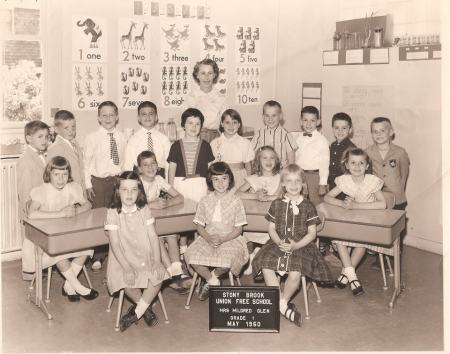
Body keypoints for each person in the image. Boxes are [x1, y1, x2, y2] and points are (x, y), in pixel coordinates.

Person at [252, 164, 332, 327]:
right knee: (267, 265)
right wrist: (278, 241)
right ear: (282, 184)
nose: (294, 185)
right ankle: (280, 304)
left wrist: (296, 246)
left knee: (295, 272)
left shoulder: (308, 205)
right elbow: (271, 229)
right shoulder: (276, 204)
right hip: (278, 243)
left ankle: (283, 301)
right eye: (289, 181)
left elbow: (312, 234)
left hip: (302, 245)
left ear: (303, 183)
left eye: (297, 181)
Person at [26, 156, 98, 302]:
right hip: (43, 240)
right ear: (49, 174)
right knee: (59, 251)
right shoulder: (42, 191)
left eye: (64, 174)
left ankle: (69, 286)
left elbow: (88, 204)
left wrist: (75, 212)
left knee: (88, 246)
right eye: (56, 174)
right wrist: (60, 213)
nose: (61, 179)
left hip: (65, 235)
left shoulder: (72, 188)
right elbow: (31, 213)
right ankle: (77, 286)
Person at [104, 171, 168, 332]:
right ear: (117, 191)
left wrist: (158, 261)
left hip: (145, 255)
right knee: (127, 282)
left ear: (139, 191)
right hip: (122, 259)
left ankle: (136, 313)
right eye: (124, 189)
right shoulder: (112, 213)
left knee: (158, 277)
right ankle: (145, 309)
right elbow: (116, 244)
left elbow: (153, 237)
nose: (129, 194)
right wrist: (126, 268)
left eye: (134, 189)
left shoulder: (144, 209)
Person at [324, 148, 388, 296]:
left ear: (367, 166)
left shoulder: (372, 181)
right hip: (350, 219)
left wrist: (356, 206)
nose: (357, 167)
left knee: (361, 242)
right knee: (339, 238)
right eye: (353, 163)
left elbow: (382, 204)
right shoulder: (344, 180)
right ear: (347, 165)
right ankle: (352, 275)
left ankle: (346, 274)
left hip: (368, 220)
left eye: (361, 163)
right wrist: (343, 204)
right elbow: (327, 198)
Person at [184, 162, 248, 301]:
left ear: (230, 179)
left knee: (227, 261)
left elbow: (239, 229)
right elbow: (200, 226)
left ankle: (213, 275)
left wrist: (223, 239)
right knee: (191, 256)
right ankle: (212, 280)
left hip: (230, 237)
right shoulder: (204, 200)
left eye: (224, 178)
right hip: (208, 236)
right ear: (210, 181)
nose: (220, 183)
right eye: (216, 179)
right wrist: (208, 237)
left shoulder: (236, 201)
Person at [136, 150, 188, 293]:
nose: (150, 168)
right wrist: (150, 204)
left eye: (153, 164)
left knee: (171, 233)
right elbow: (131, 206)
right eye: (145, 165)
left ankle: (176, 270)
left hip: (157, 221)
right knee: (157, 237)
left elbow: (180, 197)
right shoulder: (136, 182)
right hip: (140, 225)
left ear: (158, 166)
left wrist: (168, 203)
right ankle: (172, 272)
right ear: (139, 169)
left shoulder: (159, 180)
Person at [84, 101, 126, 271]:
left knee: (117, 217)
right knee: (100, 219)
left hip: (116, 181)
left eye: (111, 115)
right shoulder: (92, 138)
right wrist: (88, 184)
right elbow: (86, 164)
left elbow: (123, 161)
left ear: (117, 117)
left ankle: (117, 253)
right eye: (104, 115)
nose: (108, 118)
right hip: (98, 182)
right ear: (99, 118)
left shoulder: (122, 136)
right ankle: (99, 255)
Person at [167, 108, 215, 254]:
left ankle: (197, 244)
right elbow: (172, 168)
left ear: (201, 127)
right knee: (182, 215)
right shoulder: (176, 145)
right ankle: (182, 244)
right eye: (190, 123)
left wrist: (209, 189)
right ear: (183, 125)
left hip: (200, 185)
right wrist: (170, 189)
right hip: (180, 184)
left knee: (199, 216)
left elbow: (210, 169)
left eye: (197, 124)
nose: (193, 127)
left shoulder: (205, 146)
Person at [236, 146, 282, 275]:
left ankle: (261, 255)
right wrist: (255, 196)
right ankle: (251, 257)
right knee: (248, 235)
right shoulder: (253, 178)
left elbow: (280, 196)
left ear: (277, 161)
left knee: (271, 237)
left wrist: (267, 198)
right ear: (258, 160)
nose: (269, 160)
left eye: (272, 157)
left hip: (272, 219)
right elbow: (237, 194)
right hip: (255, 217)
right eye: (265, 157)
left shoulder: (280, 177)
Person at [17, 120, 50, 280]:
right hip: (32, 208)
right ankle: (29, 272)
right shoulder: (26, 159)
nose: (44, 140)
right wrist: (28, 211)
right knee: (30, 241)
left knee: (39, 242)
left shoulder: (43, 155)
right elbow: (24, 191)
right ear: (29, 138)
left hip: (41, 206)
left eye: (46, 136)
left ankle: (38, 267)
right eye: (40, 136)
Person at [365, 117, 410, 210]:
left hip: (397, 199)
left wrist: (399, 190)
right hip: (376, 199)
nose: (379, 134)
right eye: (375, 131)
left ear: (390, 132)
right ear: (372, 134)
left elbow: (404, 175)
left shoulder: (400, 152)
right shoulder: (367, 152)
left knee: (397, 223)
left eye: (382, 130)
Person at [123, 101, 171, 177]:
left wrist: (167, 183)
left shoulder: (164, 139)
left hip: (159, 176)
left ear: (156, 117)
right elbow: (128, 164)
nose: (148, 117)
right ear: (138, 118)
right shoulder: (133, 139)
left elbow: (168, 164)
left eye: (151, 114)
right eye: (144, 114)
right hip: (139, 176)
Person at [210, 109, 254, 189]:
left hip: (240, 178)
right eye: (227, 122)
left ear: (239, 124)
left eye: (234, 122)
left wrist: (249, 183)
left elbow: (248, 165)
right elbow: (210, 165)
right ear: (222, 124)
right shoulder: (214, 143)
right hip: (221, 178)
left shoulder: (245, 142)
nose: (231, 126)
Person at [294, 105, 329, 206]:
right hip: (300, 176)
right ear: (301, 121)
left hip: (314, 177)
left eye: (312, 120)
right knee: (299, 203)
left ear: (318, 122)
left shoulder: (322, 141)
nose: (308, 124)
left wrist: (322, 184)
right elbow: (295, 157)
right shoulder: (298, 138)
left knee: (316, 205)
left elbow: (324, 163)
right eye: (305, 120)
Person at [47, 110, 87, 197]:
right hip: (66, 195)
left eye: (73, 127)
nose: (71, 131)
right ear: (56, 129)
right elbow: (53, 178)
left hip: (80, 191)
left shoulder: (75, 143)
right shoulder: (54, 149)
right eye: (66, 128)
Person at [184, 58, 226, 143]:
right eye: (203, 73)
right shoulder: (191, 97)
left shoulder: (221, 98)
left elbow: (225, 123)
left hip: (215, 138)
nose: (206, 77)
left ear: (214, 75)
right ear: (197, 75)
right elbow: (185, 123)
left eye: (210, 73)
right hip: (195, 136)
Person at [251, 100, 298, 168]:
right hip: (263, 170)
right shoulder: (259, 134)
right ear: (263, 117)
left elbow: (291, 158)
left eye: (274, 115)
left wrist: (289, 171)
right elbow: (252, 153)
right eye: (267, 116)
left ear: (280, 116)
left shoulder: (286, 135)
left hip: (281, 170)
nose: (270, 119)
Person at [328, 112, 356, 193]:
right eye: (337, 128)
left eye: (344, 128)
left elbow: (353, 172)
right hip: (331, 186)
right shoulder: (332, 146)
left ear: (350, 130)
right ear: (332, 129)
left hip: (345, 189)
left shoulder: (352, 149)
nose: (340, 131)